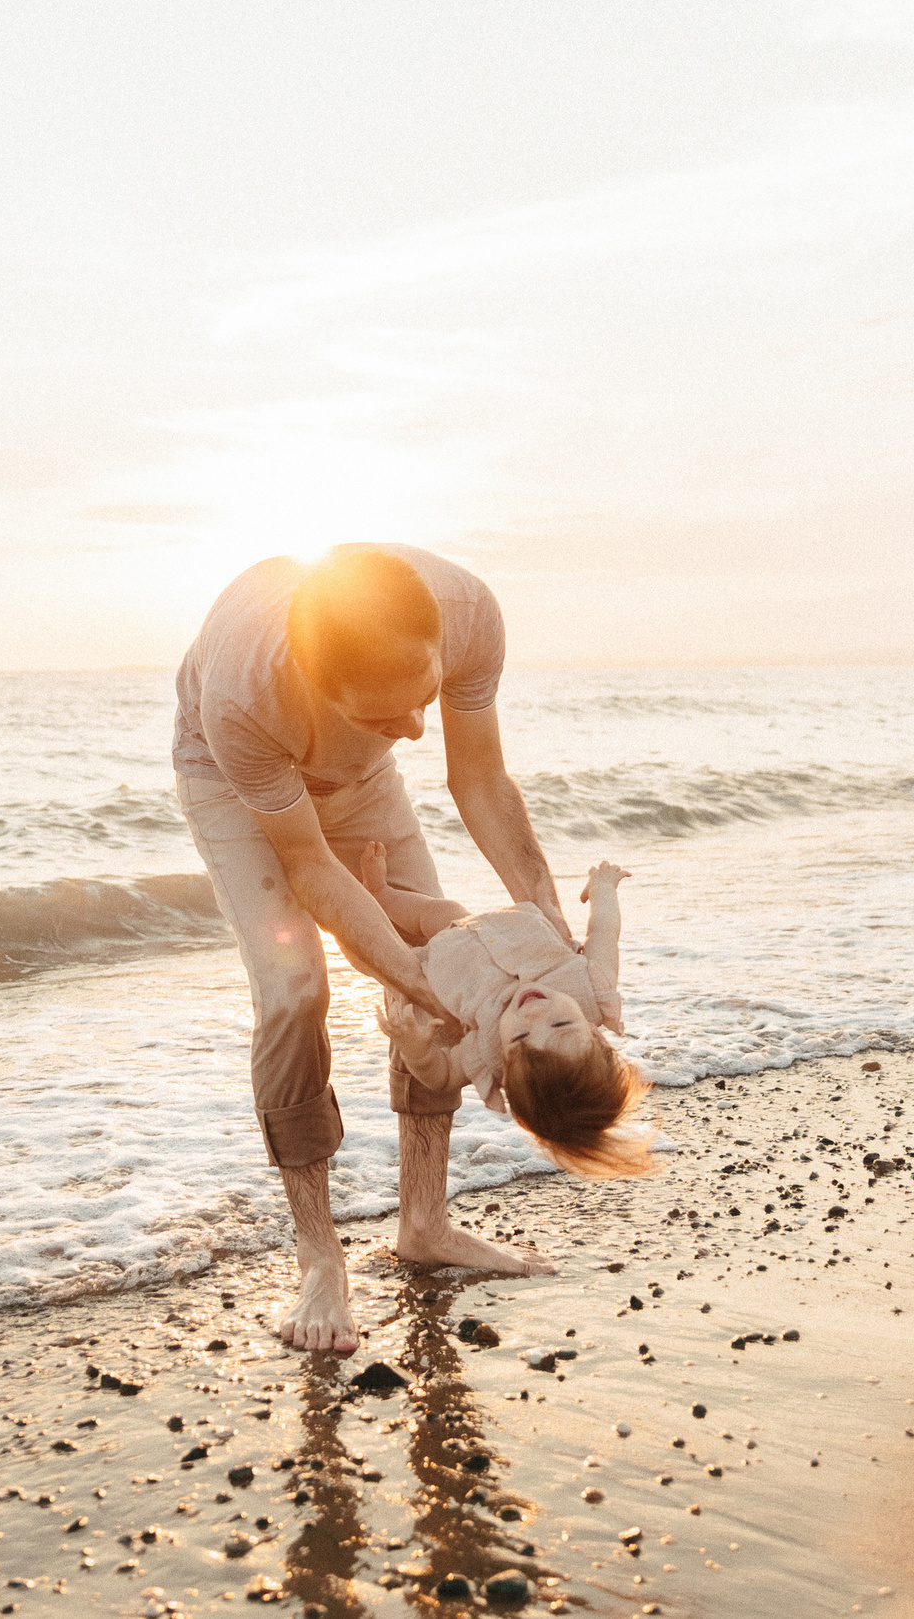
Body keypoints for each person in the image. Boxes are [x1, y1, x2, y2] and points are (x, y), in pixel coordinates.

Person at [174, 544, 572, 1352]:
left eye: (424, 696)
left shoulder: (467, 613)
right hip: (232, 779)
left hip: (361, 784)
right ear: (312, 682)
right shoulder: (246, 694)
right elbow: (312, 868)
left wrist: (551, 932)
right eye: (384, 716)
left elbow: (480, 779)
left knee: (442, 952)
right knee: (295, 988)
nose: (416, 730)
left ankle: (426, 1222)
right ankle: (319, 1258)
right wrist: (415, 984)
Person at [363, 851, 656, 1178]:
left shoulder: (489, 1052)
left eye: (519, 1036)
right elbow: (603, 931)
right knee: (448, 909)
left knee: (430, 919)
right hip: (504, 929)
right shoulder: (593, 987)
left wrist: (416, 1050)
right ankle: (381, 894)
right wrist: (602, 888)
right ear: (594, 1033)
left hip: (449, 956)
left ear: (504, 1063)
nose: (534, 1014)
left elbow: (441, 1076)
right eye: (560, 1023)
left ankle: (379, 895)